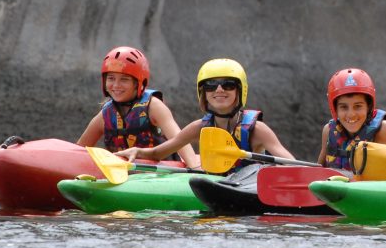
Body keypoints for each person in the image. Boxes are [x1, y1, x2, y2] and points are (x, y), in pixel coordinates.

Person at [116, 58, 294, 173]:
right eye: (210, 85)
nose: (219, 90)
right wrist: (138, 151)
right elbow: (158, 153)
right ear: (203, 93)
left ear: (240, 91)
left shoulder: (257, 130)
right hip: (214, 189)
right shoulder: (199, 128)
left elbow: (292, 164)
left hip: (248, 193)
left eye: (228, 84)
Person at [76, 46, 199, 168]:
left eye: (124, 80)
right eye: (111, 78)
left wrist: (194, 168)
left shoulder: (154, 106)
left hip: (160, 173)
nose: (116, 85)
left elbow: (181, 141)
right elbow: (78, 150)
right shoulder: (105, 114)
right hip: (122, 175)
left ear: (138, 83)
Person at [317, 68, 386, 171]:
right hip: (336, 185)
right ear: (334, 109)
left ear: (369, 106)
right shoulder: (328, 131)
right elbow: (318, 171)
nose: (351, 114)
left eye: (358, 106)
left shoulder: (384, 130)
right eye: (344, 107)